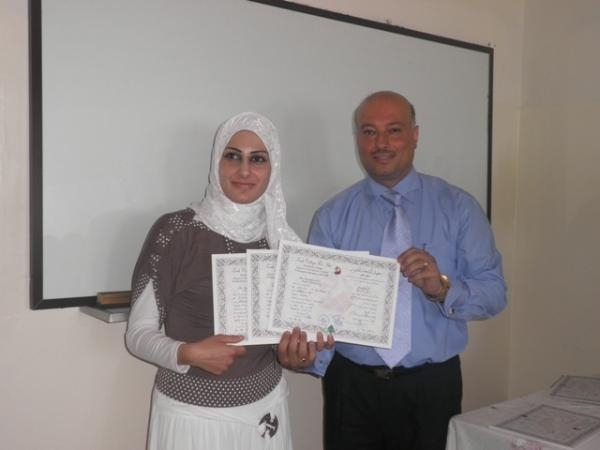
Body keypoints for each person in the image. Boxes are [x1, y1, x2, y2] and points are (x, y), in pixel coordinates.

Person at [278, 91, 507, 450]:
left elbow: (494, 293)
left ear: (415, 135)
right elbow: (317, 314)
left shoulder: (459, 207)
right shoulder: (332, 217)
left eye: (394, 130)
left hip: (432, 388)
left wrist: (443, 288)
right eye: (369, 131)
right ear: (357, 139)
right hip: (351, 389)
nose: (381, 143)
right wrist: (305, 357)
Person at [125, 112, 325, 450]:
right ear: (217, 161)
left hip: (267, 412)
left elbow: (284, 342)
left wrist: (296, 355)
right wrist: (186, 353)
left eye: (257, 159)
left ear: (273, 167)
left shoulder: (281, 240)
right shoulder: (175, 231)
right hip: (192, 418)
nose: (244, 171)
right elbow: (137, 334)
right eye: (233, 156)